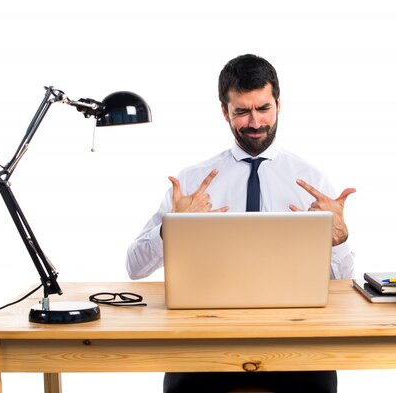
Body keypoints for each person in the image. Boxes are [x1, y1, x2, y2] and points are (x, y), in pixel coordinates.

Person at [127, 54, 355, 393]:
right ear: (224, 111)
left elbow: (343, 284)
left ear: (279, 103)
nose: (255, 122)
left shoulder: (311, 178)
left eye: (263, 108)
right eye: (242, 111)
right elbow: (134, 267)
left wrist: (338, 240)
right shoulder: (192, 181)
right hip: (205, 338)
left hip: (294, 337)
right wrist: (171, 229)